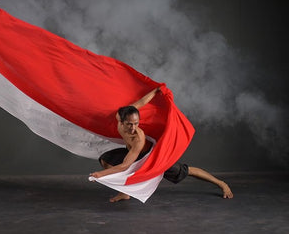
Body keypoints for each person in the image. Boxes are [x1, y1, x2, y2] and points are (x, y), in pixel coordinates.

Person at [89, 87, 234, 203]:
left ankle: (221, 183)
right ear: (120, 121)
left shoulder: (138, 139)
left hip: (151, 158)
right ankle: (125, 193)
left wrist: (100, 175)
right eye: (129, 124)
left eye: (136, 123)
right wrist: (155, 90)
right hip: (133, 154)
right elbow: (141, 102)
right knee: (106, 159)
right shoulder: (121, 115)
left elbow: (125, 166)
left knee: (185, 171)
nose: (133, 128)